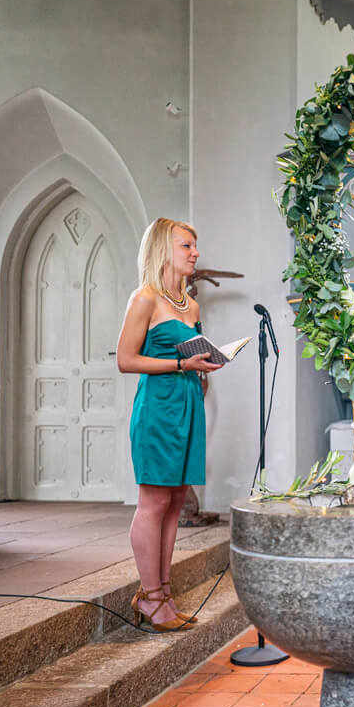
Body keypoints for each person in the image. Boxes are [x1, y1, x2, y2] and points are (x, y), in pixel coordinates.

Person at [116, 218, 223, 631]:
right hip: (158, 407)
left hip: (188, 403)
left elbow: (192, 351)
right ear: (163, 249)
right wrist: (181, 364)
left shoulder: (192, 306)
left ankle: (163, 592)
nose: (195, 252)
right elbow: (126, 360)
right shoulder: (144, 298)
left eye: (195, 246)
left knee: (177, 501)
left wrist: (205, 367)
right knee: (154, 502)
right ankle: (151, 597)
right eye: (186, 246)